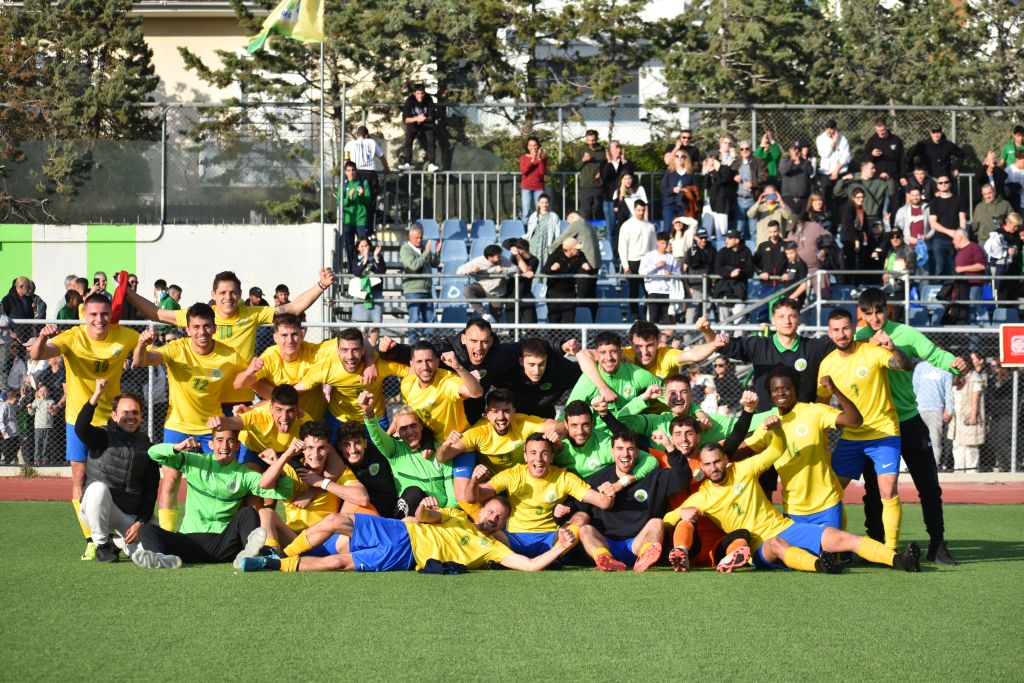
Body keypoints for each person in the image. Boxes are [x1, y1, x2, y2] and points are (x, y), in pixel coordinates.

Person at [666, 436, 921, 574]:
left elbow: (776, 449)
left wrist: (776, 430)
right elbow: (669, 518)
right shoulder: (702, 497)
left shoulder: (743, 470)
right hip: (757, 547)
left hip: (785, 527)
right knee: (777, 545)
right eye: (708, 464)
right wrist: (682, 513)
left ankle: (899, 560)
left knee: (842, 537)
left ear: (725, 460)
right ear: (702, 467)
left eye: (717, 462)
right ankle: (820, 566)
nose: (713, 468)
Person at [855, 287, 967, 565]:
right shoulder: (857, 338)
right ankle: (877, 544)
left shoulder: (906, 333)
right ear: (861, 313)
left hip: (908, 421)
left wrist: (954, 364)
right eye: (868, 313)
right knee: (873, 491)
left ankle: (937, 545)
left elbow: (935, 355)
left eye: (879, 311)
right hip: (876, 427)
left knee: (929, 486)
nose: (875, 318)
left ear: (887, 309)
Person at [28, 294, 140, 559]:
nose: (99, 319)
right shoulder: (72, 337)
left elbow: (142, 357)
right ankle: (91, 538)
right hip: (78, 421)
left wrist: (144, 343)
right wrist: (42, 337)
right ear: (84, 315)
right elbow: (37, 354)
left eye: (104, 314)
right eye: (94, 315)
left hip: (111, 421)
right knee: (79, 477)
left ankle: (119, 532)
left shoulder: (125, 336)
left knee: (115, 478)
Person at [126, 268, 336, 406]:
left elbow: (293, 308)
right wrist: (126, 292)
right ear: (214, 295)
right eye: (223, 293)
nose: (228, 297)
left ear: (240, 294)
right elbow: (156, 313)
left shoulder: (251, 314)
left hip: (240, 398)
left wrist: (321, 285)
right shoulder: (201, 316)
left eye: (233, 292)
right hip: (206, 400)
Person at [240, 495, 577, 573]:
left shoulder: (491, 548)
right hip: (398, 528)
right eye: (490, 511)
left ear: (503, 524)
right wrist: (426, 509)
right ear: (481, 510)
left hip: (405, 554)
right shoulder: (457, 514)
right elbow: (425, 517)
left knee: (338, 563)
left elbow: (529, 565)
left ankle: (273, 565)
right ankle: (282, 553)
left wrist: (559, 548)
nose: (492, 519)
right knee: (333, 519)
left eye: (499, 518)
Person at [132, 303, 247, 532]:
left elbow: (249, 379)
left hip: (212, 428)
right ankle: (167, 536)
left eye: (206, 326)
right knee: (170, 480)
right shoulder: (177, 349)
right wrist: (141, 345)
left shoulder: (229, 355)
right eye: (196, 327)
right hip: (178, 426)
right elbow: (141, 361)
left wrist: (253, 400)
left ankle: (228, 534)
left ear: (214, 327)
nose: (202, 332)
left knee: (226, 480)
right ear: (187, 329)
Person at [817, 308, 911, 551]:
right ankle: (839, 549)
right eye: (836, 330)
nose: (841, 334)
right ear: (829, 334)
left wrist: (893, 348)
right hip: (851, 437)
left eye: (845, 328)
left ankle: (891, 551)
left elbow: (904, 365)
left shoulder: (872, 352)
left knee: (887, 489)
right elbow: (820, 408)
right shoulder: (827, 365)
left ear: (854, 329)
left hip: (883, 433)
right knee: (831, 492)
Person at [132, 428, 293, 569]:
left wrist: (279, 468)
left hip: (224, 545)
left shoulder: (245, 475)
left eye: (230, 441)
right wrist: (177, 447)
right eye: (219, 440)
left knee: (248, 512)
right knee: (147, 529)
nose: (225, 446)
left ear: (237, 446)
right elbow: (153, 453)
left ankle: (248, 556)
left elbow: (283, 493)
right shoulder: (194, 461)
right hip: (190, 542)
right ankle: (159, 558)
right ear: (211, 444)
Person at [465, 433, 612, 558]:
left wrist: (612, 489)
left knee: (582, 517)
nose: (539, 459)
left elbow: (603, 502)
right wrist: (474, 481)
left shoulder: (563, 477)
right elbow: (472, 498)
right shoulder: (513, 475)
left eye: (544, 453)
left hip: (551, 539)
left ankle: (554, 556)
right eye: (533, 453)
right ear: (525, 456)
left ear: (552, 457)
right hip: (513, 539)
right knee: (483, 525)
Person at [576, 430, 689, 572]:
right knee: (585, 530)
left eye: (630, 449)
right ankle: (604, 558)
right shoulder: (597, 479)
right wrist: (561, 510)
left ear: (637, 452)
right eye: (619, 448)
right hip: (606, 544)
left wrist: (669, 446)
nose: (625, 454)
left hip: (638, 544)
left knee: (657, 523)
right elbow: (576, 504)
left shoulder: (653, 477)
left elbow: (682, 479)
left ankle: (645, 557)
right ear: (612, 452)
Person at [253, 420, 371, 554]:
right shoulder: (290, 469)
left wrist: (322, 483)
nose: (315, 454)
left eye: (321, 448)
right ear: (302, 448)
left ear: (328, 449)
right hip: (294, 538)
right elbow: (264, 485)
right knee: (265, 513)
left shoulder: (338, 472)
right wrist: (286, 455)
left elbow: (362, 498)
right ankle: (270, 555)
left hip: (325, 540)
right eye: (310, 447)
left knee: (350, 528)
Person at [72, 378, 157, 562]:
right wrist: (96, 395)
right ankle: (101, 545)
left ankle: (117, 543)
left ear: (141, 416)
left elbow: (151, 491)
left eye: (135, 412)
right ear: (114, 415)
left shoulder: (146, 444)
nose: (131, 416)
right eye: (125, 412)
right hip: (97, 510)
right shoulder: (102, 436)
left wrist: (140, 523)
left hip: (129, 516)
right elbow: (80, 428)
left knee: (153, 550)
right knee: (98, 488)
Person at [294, 327, 408, 436]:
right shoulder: (326, 367)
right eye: (344, 350)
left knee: (382, 450)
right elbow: (295, 391)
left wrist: (406, 409)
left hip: (375, 418)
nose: (350, 356)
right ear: (337, 351)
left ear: (363, 350)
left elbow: (415, 372)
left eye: (355, 350)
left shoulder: (379, 363)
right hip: (339, 419)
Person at [358, 392, 455, 517]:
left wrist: (444, 516)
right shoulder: (394, 450)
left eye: (413, 425)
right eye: (403, 428)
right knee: (413, 492)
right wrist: (368, 413)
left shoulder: (440, 451)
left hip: (440, 515)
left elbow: (452, 497)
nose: (409, 432)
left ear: (421, 426)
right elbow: (377, 437)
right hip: (409, 517)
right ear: (397, 432)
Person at [233, 313, 331, 422]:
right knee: (255, 383)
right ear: (275, 338)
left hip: (316, 421)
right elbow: (238, 384)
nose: (290, 340)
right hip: (284, 422)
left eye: (294, 334)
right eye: (284, 335)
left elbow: (340, 345)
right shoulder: (269, 358)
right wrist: (249, 371)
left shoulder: (314, 352)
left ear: (302, 335)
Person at [437, 387, 557, 475]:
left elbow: (555, 426)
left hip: (522, 478)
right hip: (492, 482)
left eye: (506, 411)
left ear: (514, 412)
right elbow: (441, 458)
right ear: (487, 414)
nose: (501, 417)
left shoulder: (523, 423)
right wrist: (446, 444)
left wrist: (555, 433)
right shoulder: (478, 432)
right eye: (495, 411)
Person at [566, 331, 661, 416]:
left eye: (614, 351)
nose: (609, 357)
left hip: (630, 429)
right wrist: (591, 408)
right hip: (597, 430)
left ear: (621, 353)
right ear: (596, 355)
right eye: (603, 352)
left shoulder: (636, 373)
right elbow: (568, 414)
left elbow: (666, 393)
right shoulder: (588, 379)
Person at [492, 336, 582, 419]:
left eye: (541, 364)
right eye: (531, 364)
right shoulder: (505, 370)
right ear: (521, 361)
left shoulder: (560, 368)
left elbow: (585, 376)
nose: (537, 371)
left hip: (544, 420)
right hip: (513, 419)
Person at [549, 213, 599, 317]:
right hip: (595, 264)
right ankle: (593, 320)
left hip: (584, 264)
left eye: (568, 223)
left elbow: (562, 239)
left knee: (582, 296)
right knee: (591, 296)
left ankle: (583, 321)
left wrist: (551, 251)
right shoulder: (589, 225)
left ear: (571, 217)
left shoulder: (577, 224)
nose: (569, 225)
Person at [399, 222, 442, 344]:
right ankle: (413, 347)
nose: (419, 240)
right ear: (410, 237)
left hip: (427, 290)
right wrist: (427, 252)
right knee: (414, 319)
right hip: (413, 290)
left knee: (430, 319)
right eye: (416, 238)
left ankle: (430, 345)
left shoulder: (424, 248)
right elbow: (414, 266)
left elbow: (434, 263)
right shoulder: (405, 249)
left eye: (421, 237)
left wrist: (437, 253)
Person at [343, 125, 388, 234]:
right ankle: (369, 230)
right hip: (370, 174)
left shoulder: (349, 144)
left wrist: (347, 175)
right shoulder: (372, 142)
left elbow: (346, 161)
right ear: (366, 135)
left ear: (357, 135)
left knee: (356, 201)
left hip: (356, 173)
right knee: (371, 202)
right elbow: (382, 156)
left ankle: (356, 227)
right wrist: (387, 168)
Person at [456, 244, 517, 323]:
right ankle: (483, 314)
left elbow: (517, 269)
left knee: (494, 319)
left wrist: (504, 270)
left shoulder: (503, 260)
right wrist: (471, 270)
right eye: (498, 257)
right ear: (489, 257)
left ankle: (493, 330)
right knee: (468, 290)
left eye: (500, 255)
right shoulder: (479, 261)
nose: (500, 258)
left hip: (497, 292)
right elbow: (459, 271)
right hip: (482, 287)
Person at [618, 200, 656, 319]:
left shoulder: (650, 226)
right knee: (633, 290)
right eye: (639, 210)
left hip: (647, 262)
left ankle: (647, 313)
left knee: (649, 290)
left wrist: (653, 263)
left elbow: (653, 247)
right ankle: (634, 315)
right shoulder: (627, 225)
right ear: (634, 210)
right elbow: (622, 246)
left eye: (643, 210)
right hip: (632, 262)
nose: (641, 212)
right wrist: (626, 266)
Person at [913, 360, 953, 470]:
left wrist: (949, 409)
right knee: (918, 440)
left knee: (935, 440)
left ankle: (933, 465)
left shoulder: (946, 368)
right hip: (918, 409)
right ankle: (918, 465)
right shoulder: (920, 366)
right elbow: (914, 387)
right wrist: (912, 406)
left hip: (937, 410)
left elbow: (949, 391)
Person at [542, 236, 588, 325]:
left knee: (569, 321)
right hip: (554, 293)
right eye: (577, 249)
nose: (579, 250)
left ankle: (569, 334)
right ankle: (554, 334)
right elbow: (544, 270)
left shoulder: (580, 255)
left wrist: (585, 265)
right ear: (570, 250)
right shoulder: (555, 255)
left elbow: (585, 264)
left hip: (569, 293)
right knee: (554, 320)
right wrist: (551, 268)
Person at [639, 232, 682, 324]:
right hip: (653, 292)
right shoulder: (649, 256)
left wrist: (671, 274)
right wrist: (655, 266)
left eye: (666, 243)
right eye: (662, 243)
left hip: (668, 293)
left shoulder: (672, 258)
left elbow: (678, 274)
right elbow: (641, 272)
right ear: (657, 242)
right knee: (652, 322)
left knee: (667, 323)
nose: (665, 245)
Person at [712, 230, 754, 324]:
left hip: (739, 293)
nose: (726, 240)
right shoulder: (722, 251)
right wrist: (730, 273)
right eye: (726, 238)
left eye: (729, 238)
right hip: (723, 292)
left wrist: (740, 272)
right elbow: (717, 269)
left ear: (737, 240)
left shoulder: (746, 251)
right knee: (724, 324)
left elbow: (750, 270)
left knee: (740, 324)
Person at [949, 368, 984, 473]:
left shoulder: (975, 378)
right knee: (957, 446)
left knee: (970, 447)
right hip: (956, 418)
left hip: (968, 417)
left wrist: (973, 416)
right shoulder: (956, 377)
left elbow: (976, 398)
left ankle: (971, 472)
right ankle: (959, 471)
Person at [349, 236, 386, 338]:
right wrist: (365, 259)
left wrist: (376, 257)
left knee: (376, 322)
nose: (365, 248)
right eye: (362, 246)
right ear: (358, 248)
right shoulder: (356, 259)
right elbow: (357, 272)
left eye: (366, 245)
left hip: (375, 292)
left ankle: (372, 345)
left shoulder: (377, 256)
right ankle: (363, 344)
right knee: (361, 324)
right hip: (361, 293)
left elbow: (381, 271)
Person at [732, 139, 769, 240]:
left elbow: (764, 177)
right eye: (742, 149)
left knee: (754, 230)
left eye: (747, 148)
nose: (744, 151)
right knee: (739, 229)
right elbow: (729, 176)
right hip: (739, 199)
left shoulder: (758, 162)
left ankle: (755, 249)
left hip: (753, 199)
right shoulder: (736, 163)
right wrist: (734, 177)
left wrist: (753, 184)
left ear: (751, 149)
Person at [398, 83, 439, 172]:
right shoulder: (409, 100)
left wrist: (424, 118)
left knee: (431, 141)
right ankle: (407, 163)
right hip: (413, 123)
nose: (420, 96)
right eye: (418, 93)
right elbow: (405, 119)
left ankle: (431, 164)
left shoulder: (428, 99)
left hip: (427, 123)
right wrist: (416, 118)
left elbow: (432, 116)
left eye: (422, 93)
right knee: (408, 141)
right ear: (414, 93)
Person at [752, 221, 788, 321]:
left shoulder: (786, 245)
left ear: (779, 230)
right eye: (771, 232)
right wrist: (760, 273)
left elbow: (792, 262)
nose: (773, 234)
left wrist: (787, 273)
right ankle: (765, 331)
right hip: (766, 285)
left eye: (775, 231)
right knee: (763, 311)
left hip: (782, 285)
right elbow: (753, 263)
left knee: (781, 312)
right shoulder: (763, 246)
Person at [340, 161, 373, 269]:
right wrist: (349, 198)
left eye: (353, 170)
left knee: (364, 246)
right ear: (345, 172)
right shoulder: (343, 185)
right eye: (348, 170)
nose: (351, 172)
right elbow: (340, 203)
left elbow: (368, 202)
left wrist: (361, 196)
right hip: (348, 220)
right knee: (349, 247)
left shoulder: (363, 183)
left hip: (361, 220)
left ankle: (364, 267)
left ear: (356, 171)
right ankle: (352, 269)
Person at [816, 119, 851, 219]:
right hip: (826, 173)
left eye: (832, 128)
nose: (829, 130)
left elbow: (847, 157)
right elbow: (824, 154)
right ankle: (828, 219)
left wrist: (837, 170)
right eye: (827, 128)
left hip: (840, 172)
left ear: (835, 128)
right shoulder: (820, 139)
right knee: (826, 197)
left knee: (841, 197)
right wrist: (834, 143)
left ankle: (842, 219)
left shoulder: (843, 139)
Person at [600, 140, 634, 242]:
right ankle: (613, 251)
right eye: (616, 147)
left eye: (619, 146)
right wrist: (609, 162)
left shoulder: (626, 163)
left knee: (625, 227)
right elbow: (604, 177)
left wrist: (624, 162)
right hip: (609, 199)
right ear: (609, 150)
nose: (618, 149)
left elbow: (630, 177)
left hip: (624, 199)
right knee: (611, 228)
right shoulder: (604, 163)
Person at [951, 229, 987, 323]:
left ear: (960, 237)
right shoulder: (960, 251)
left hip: (973, 284)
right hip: (962, 286)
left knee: (972, 308)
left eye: (954, 238)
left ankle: (973, 330)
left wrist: (962, 269)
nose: (953, 241)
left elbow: (981, 266)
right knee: (964, 310)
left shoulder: (974, 248)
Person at [682, 227, 716, 323]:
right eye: (701, 238)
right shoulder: (690, 251)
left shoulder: (712, 250)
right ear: (696, 238)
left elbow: (716, 268)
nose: (704, 240)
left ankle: (702, 335)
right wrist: (688, 288)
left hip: (708, 289)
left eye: (705, 237)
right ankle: (688, 334)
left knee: (705, 321)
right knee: (691, 318)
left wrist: (714, 284)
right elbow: (683, 271)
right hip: (694, 289)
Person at [661, 149, 699, 228]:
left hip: (685, 205)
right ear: (674, 159)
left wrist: (687, 190)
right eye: (677, 156)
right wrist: (673, 190)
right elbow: (663, 190)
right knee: (668, 228)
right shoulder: (669, 173)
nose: (680, 158)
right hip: (670, 204)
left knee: (684, 229)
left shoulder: (690, 173)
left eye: (682, 156)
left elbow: (696, 190)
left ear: (686, 159)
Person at [703, 152, 737, 241]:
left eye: (713, 158)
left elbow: (722, 181)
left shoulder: (726, 169)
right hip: (710, 201)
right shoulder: (711, 171)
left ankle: (722, 247)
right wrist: (707, 173)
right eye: (710, 158)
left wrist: (716, 170)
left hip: (722, 203)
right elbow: (706, 186)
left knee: (721, 231)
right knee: (706, 229)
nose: (711, 161)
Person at [865, 118, 905, 192]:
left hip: (893, 177)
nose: (881, 133)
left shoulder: (896, 140)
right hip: (877, 178)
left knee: (894, 197)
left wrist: (903, 176)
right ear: (875, 128)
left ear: (886, 127)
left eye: (882, 130)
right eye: (878, 131)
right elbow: (865, 160)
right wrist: (872, 155)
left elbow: (902, 159)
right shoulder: (872, 141)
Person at [507, 238, 539, 324]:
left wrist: (518, 255)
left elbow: (526, 270)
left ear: (521, 250)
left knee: (531, 325)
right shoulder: (512, 259)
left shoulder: (534, 260)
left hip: (525, 294)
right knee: (513, 326)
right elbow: (505, 243)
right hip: (511, 295)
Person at [779, 141, 815, 215]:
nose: (797, 151)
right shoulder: (784, 162)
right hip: (789, 198)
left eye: (799, 149)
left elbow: (811, 172)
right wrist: (793, 159)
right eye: (794, 149)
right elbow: (783, 170)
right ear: (789, 150)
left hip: (804, 198)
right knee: (790, 219)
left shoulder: (806, 163)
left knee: (803, 220)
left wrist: (801, 160)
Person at [577, 129, 605, 221]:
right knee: (585, 212)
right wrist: (583, 160)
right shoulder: (581, 150)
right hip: (585, 186)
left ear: (597, 139)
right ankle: (586, 229)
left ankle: (599, 230)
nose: (591, 143)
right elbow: (576, 167)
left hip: (599, 186)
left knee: (598, 212)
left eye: (593, 140)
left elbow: (608, 165)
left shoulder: (603, 151)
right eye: (588, 140)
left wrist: (602, 172)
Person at [519, 136, 547, 221]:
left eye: (535, 145)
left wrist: (539, 159)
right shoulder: (523, 157)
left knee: (540, 210)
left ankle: (540, 227)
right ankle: (526, 228)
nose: (533, 147)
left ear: (538, 146)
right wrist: (532, 159)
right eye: (531, 145)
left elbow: (542, 172)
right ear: (527, 147)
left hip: (539, 187)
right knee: (526, 211)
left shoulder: (543, 158)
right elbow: (524, 171)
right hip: (526, 187)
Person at [525, 193, 561, 260]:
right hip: (534, 244)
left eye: (546, 203)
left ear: (549, 203)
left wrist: (555, 245)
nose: (544, 205)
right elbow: (530, 231)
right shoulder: (534, 216)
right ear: (538, 203)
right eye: (542, 203)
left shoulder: (554, 216)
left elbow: (557, 233)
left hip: (546, 244)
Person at [27, 384, 55, 466]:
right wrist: (30, 407)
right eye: (40, 391)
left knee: (46, 444)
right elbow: (31, 413)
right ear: (38, 393)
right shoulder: (36, 401)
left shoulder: (51, 401)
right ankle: (37, 459)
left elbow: (53, 413)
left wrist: (50, 409)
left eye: (45, 391)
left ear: (48, 392)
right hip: (38, 426)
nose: (43, 393)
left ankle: (45, 459)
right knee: (38, 444)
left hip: (48, 426)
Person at [780, 241, 809, 308]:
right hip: (788, 296)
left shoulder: (801, 264)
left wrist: (791, 298)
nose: (789, 256)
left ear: (797, 250)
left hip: (796, 298)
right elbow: (793, 276)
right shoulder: (791, 263)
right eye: (787, 253)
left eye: (792, 253)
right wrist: (786, 276)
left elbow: (804, 285)